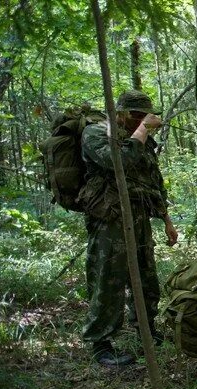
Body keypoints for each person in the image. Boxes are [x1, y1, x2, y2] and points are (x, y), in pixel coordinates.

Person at [79, 90, 178, 366]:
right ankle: (101, 343)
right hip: (109, 217)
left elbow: (153, 180)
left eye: (144, 117)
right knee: (108, 278)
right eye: (135, 116)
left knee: (146, 279)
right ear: (120, 112)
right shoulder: (96, 133)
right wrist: (143, 130)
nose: (140, 121)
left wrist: (166, 219)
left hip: (139, 216)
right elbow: (118, 163)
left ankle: (145, 330)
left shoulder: (142, 139)